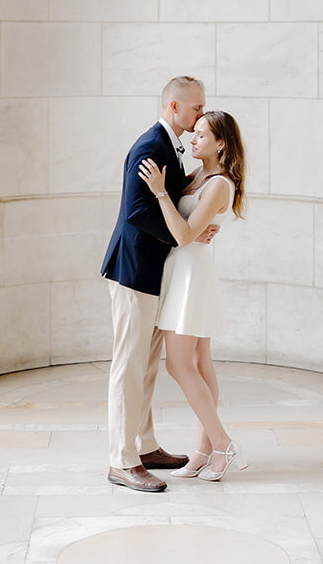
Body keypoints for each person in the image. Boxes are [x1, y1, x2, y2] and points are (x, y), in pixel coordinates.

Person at [100, 74, 217, 493]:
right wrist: (185, 231)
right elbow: (136, 212)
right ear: (173, 107)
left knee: (145, 366)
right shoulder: (150, 146)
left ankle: (145, 447)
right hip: (133, 273)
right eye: (196, 108)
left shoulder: (169, 145)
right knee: (128, 367)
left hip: (152, 273)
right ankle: (122, 460)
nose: (200, 114)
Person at [138, 108, 247, 481]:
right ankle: (205, 451)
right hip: (183, 270)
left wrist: (159, 194)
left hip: (191, 276)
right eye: (194, 132)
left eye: (202, 134)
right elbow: (185, 229)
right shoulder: (199, 174)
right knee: (200, 363)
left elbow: (183, 234)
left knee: (178, 364)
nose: (193, 138)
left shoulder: (218, 183)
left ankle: (222, 443)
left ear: (222, 143)